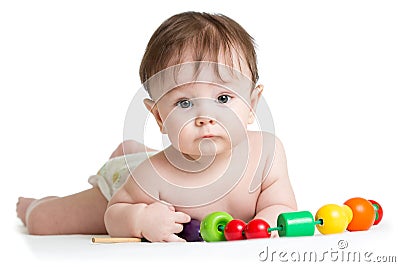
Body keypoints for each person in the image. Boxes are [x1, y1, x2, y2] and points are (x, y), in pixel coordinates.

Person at [17, 11, 297, 241]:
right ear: (160, 117)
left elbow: (280, 206)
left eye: (223, 98)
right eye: (184, 103)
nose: (205, 117)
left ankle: (131, 148)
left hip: (144, 163)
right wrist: (139, 219)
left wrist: (265, 225)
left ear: (252, 104)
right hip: (124, 181)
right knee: (45, 222)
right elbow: (114, 214)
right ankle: (33, 206)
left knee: (139, 155)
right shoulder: (153, 176)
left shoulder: (266, 154)